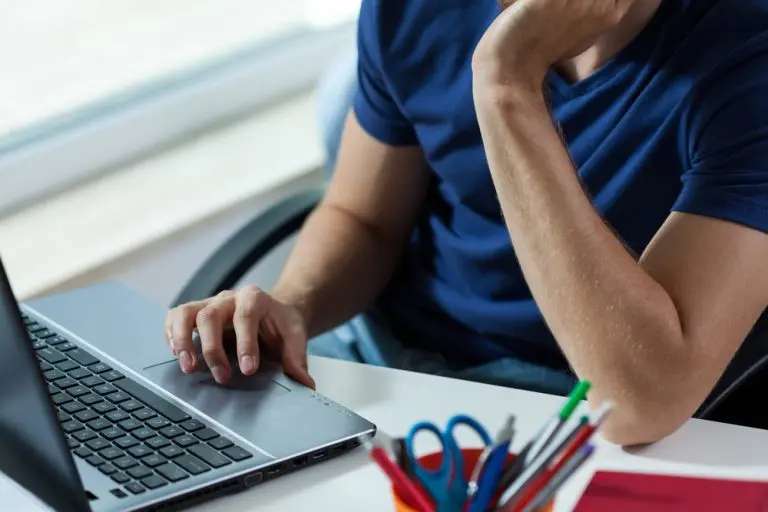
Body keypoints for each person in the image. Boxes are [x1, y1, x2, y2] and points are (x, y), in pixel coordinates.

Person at [165, 0, 768, 446]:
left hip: (560, 406)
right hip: (370, 361)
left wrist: (507, 83)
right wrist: (293, 306)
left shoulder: (747, 57)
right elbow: (364, 219)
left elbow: (641, 403)